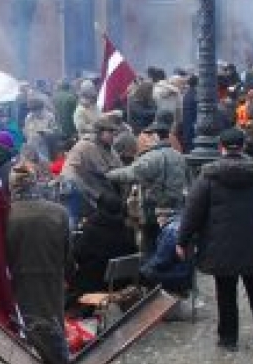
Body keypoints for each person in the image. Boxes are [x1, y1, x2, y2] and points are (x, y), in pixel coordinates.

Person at [177, 128, 253, 350]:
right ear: (244, 145)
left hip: (220, 243)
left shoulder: (208, 176)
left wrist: (183, 240)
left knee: (225, 291)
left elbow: (193, 211)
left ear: (221, 147)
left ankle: (228, 338)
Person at [5, 163, 71, 364]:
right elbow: (68, 252)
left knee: (20, 337)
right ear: (35, 183)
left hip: (16, 282)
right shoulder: (58, 212)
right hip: (50, 280)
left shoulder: (4, 215)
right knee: (54, 330)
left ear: (12, 186)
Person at [107, 118, 188, 254]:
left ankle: (150, 272)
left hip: (154, 210)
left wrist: (108, 174)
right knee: (169, 245)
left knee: (150, 246)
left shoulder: (152, 157)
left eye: (149, 136)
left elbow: (131, 174)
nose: (146, 140)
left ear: (156, 136)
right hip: (176, 208)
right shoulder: (179, 156)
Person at [70, 193, 139, 300]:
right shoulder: (127, 229)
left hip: (95, 283)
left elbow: (77, 254)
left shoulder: (92, 229)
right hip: (122, 282)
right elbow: (133, 252)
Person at [63, 117, 124, 225]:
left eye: (113, 131)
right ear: (99, 132)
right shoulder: (88, 145)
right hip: (75, 186)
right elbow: (104, 171)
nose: (113, 135)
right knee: (76, 220)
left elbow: (118, 165)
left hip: (88, 184)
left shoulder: (106, 146)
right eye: (109, 131)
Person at [139, 207, 194, 296]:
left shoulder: (170, 230)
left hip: (177, 276)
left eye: (158, 216)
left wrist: (145, 266)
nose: (157, 220)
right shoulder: (182, 224)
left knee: (142, 273)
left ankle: (152, 303)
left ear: (164, 215)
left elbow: (161, 261)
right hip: (186, 273)